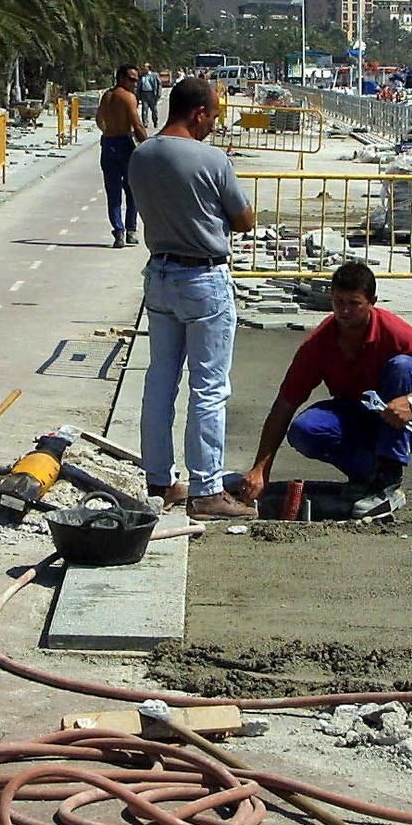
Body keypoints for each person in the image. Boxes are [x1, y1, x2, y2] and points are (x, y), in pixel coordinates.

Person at [234, 262, 412, 519]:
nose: (343, 310)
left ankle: (387, 481)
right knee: (304, 430)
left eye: (353, 303)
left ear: (372, 301)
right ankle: (368, 473)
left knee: (403, 367)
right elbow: (285, 404)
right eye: (337, 301)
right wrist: (260, 470)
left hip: (407, 414)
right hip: (359, 413)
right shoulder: (319, 343)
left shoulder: (397, 333)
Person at [127, 77, 257, 519]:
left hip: (159, 273)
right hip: (202, 278)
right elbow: (243, 220)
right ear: (198, 112)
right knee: (209, 387)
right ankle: (206, 489)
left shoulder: (140, 155)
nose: (214, 125)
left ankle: (159, 480)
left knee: (160, 381)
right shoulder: (212, 160)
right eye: (214, 116)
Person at [97, 63, 148, 248]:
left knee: (113, 190)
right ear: (121, 78)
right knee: (132, 188)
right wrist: (148, 146)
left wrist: (108, 131)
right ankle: (130, 230)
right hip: (124, 143)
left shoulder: (107, 96)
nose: (135, 83)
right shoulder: (128, 97)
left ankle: (118, 231)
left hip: (108, 142)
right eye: (132, 79)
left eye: (137, 80)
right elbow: (137, 125)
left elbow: (98, 120)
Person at [137, 62, 161, 129]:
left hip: (152, 94)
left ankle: (155, 121)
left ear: (149, 68)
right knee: (144, 110)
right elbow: (139, 85)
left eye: (146, 67)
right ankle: (145, 123)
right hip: (144, 94)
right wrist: (138, 95)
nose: (144, 68)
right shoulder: (142, 76)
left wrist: (158, 94)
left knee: (154, 110)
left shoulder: (154, 75)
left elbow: (159, 84)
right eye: (144, 67)